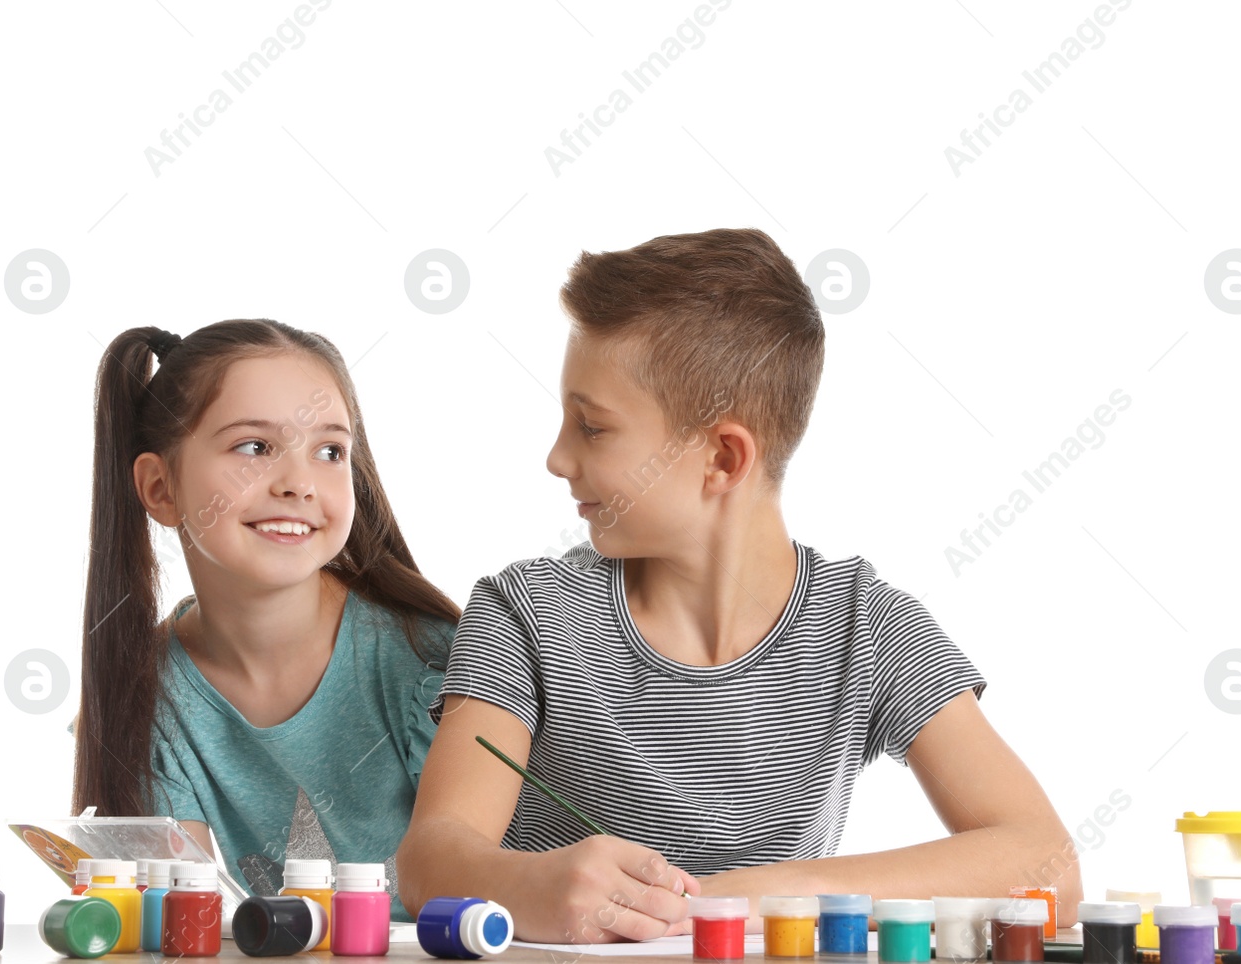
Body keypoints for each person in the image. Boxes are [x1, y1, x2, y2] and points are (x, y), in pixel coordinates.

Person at [397, 229, 1081, 941]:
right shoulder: (524, 613)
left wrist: (772, 894)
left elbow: (1050, 865)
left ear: (723, 459)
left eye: (592, 428)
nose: (557, 457)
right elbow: (429, 859)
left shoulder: (868, 627)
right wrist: (526, 884)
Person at [72, 319, 457, 919]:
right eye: (254, 447)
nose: (300, 483)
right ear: (160, 486)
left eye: (330, 451)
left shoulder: (429, 663)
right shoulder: (148, 700)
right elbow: (183, 927)